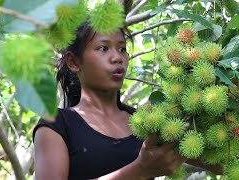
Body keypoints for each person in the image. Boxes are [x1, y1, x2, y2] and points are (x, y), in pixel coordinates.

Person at [33, 21, 189, 180]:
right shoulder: (57, 124)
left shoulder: (145, 121)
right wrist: (139, 170)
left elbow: (214, 162)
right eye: (103, 48)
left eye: (122, 49)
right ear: (73, 62)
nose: (117, 58)